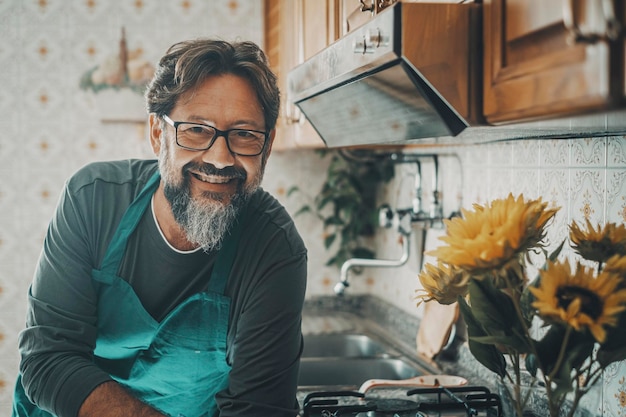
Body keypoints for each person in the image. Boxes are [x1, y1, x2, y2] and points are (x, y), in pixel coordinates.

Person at [12, 39, 308, 417]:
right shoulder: (92, 199)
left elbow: (259, 408)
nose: (219, 158)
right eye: (196, 130)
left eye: (244, 135)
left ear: (266, 149)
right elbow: (48, 359)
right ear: (157, 134)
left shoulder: (274, 249)